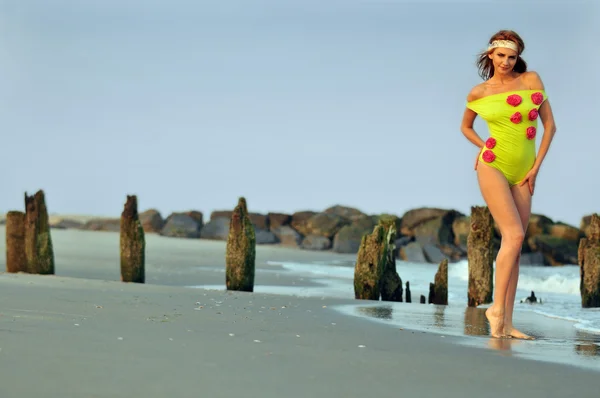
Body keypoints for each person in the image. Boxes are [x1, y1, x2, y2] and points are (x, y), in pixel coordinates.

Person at [460, 30, 557, 339]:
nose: (506, 61)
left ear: (518, 58)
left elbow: (550, 126)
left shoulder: (531, 80)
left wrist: (536, 169)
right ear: (491, 55)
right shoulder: (479, 92)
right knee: (513, 236)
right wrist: (482, 146)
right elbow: (465, 126)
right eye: (501, 55)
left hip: (524, 172)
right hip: (493, 165)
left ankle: (506, 323)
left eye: (511, 56)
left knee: (513, 248)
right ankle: (495, 310)